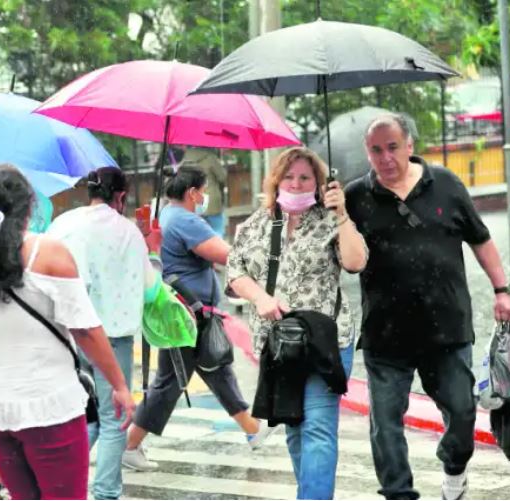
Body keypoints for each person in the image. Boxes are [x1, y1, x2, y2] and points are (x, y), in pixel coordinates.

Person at [0, 164, 136, 500]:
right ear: (28, 208)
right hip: (49, 404)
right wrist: (120, 385)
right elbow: (85, 330)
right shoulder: (48, 253)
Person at [345, 114, 510, 500]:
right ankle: (398, 493)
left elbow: (480, 239)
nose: (385, 157)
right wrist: (336, 213)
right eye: (376, 150)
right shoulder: (354, 197)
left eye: (392, 147)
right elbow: (342, 257)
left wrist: (502, 290)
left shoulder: (446, 184)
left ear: (409, 145)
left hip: (446, 326)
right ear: (367, 153)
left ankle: (454, 467)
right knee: (385, 424)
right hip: (385, 332)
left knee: (462, 411)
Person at [227, 147, 367, 500]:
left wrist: (342, 213)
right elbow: (234, 272)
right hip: (278, 347)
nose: (296, 183)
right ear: (276, 180)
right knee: (294, 426)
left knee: (318, 428)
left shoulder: (330, 219)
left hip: (325, 341)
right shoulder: (257, 224)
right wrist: (260, 297)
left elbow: (355, 262)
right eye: (289, 177)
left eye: (305, 177)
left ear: (318, 183)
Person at [123, 166, 277, 471]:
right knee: (170, 381)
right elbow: (227, 255)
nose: (205, 197)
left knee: (216, 367)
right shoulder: (185, 220)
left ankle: (252, 429)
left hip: (187, 311)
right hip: (189, 314)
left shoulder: (167, 215)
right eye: (204, 191)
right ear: (192, 193)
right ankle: (129, 446)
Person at [47, 167, 162, 500]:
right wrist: (153, 249)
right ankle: (106, 494)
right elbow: (151, 290)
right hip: (112, 338)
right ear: (121, 196)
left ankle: (59, 483)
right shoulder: (128, 233)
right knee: (115, 420)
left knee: (83, 417)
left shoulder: (62, 224)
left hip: (67, 334)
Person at [181, 147, 227, 237]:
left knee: (197, 234)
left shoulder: (185, 160)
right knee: (217, 231)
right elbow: (222, 177)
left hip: (193, 200)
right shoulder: (211, 158)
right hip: (211, 200)